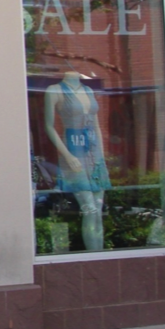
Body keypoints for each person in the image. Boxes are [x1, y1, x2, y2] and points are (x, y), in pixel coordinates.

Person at [44, 71, 111, 251]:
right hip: (74, 152)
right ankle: (92, 254)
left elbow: (96, 126)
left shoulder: (88, 90)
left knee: (98, 211)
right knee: (89, 209)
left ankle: (99, 254)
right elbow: (48, 126)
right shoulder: (54, 90)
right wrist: (67, 156)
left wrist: (101, 157)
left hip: (94, 154)